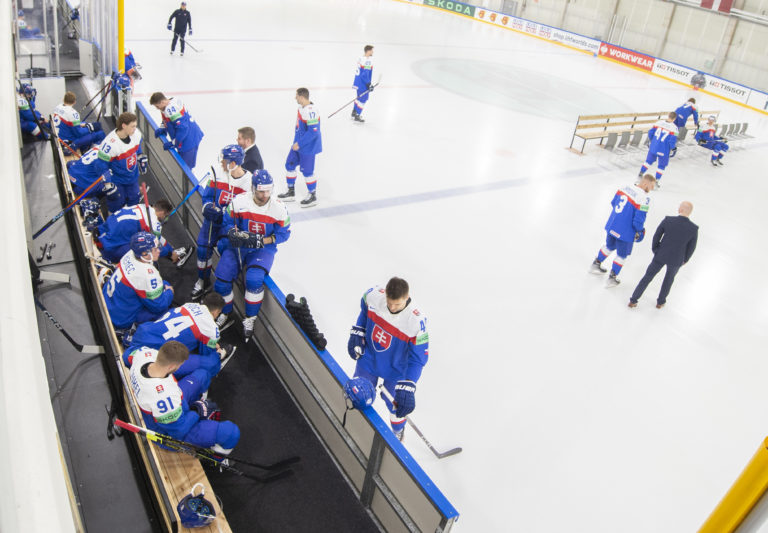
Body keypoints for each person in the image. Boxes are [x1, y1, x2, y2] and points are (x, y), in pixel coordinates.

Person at [346, 277, 429, 441]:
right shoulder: (374, 296)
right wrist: (358, 331)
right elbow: (364, 311)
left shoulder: (416, 322)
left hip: (396, 369)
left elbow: (418, 359)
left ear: (407, 297)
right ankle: (355, 431)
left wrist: (410, 383)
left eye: (397, 304)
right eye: (389, 302)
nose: (392, 307)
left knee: (396, 407)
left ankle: (398, 431)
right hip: (369, 359)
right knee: (359, 395)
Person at [213, 170, 291, 342]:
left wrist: (262, 241)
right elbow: (227, 223)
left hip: (263, 249)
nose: (265, 195)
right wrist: (233, 233)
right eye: (261, 191)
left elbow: (284, 234)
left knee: (254, 279)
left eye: (268, 191)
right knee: (221, 279)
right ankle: (226, 313)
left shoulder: (279, 208)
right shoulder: (239, 202)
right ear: (253, 187)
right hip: (240, 246)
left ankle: (250, 319)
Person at [129, 340, 240, 455]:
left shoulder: (145, 355)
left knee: (202, 375)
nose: (181, 366)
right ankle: (217, 457)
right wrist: (196, 412)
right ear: (171, 366)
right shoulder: (164, 400)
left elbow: (128, 355)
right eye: (180, 364)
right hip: (166, 433)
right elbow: (178, 431)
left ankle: (197, 403)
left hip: (173, 403)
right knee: (231, 433)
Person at [191, 145, 253, 300]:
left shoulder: (249, 183)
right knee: (203, 248)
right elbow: (208, 196)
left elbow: (246, 212)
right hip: (213, 221)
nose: (221, 163)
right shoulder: (217, 173)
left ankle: (225, 287)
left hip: (231, 226)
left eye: (224, 161)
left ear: (233, 163)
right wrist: (207, 208)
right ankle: (202, 279)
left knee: (227, 252)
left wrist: (226, 216)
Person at [124, 293, 235, 378]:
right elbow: (205, 352)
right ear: (217, 311)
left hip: (142, 334)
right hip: (155, 353)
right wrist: (214, 346)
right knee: (211, 361)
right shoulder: (212, 328)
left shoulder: (190, 305)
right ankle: (220, 356)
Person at [102, 232, 175, 336]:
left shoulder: (130, 254)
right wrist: (169, 292)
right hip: (119, 318)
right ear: (144, 254)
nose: (159, 251)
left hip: (109, 302)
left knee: (160, 285)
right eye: (155, 249)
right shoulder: (146, 273)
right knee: (164, 310)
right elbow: (158, 305)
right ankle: (130, 331)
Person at [629, 202, 698, 309]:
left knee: (647, 277)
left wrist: (656, 249)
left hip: (661, 254)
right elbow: (691, 247)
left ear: (680, 209)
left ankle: (634, 299)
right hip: (677, 259)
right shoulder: (693, 228)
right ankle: (660, 302)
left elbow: (657, 236)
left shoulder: (668, 220)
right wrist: (685, 259)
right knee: (669, 280)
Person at [589, 174, 655, 287]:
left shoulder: (625, 187)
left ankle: (596, 264)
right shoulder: (644, 198)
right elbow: (638, 220)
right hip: (626, 231)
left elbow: (613, 202)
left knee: (609, 246)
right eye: (651, 186)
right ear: (645, 183)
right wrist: (640, 231)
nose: (652, 189)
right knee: (622, 255)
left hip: (613, 224)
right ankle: (612, 278)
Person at [96, 198, 191, 265]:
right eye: (166, 216)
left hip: (105, 229)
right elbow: (154, 247)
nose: (165, 219)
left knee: (147, 238)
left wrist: (170, 249)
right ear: (162, 213)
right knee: (145, 253)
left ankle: (173, 252)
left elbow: (157, 238)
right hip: (110, 245)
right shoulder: (154, 223)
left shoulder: (142, 206)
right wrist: (170, 254)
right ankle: (174, 256)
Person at [278, 88, 322, 208]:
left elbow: (314, 132)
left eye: (296, 96)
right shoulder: (301, 108)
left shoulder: (311, 111)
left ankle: (313, 196)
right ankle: (291, 192)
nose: (295, 98)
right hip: (298, 145)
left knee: (307, 172)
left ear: (302, 97)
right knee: (289, 165)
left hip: (307, 147)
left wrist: (300, 143)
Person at [97, 112, 147, 208]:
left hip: (132, 178)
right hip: (117, 181)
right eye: (132, 126)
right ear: (124, 126)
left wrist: (140, 156)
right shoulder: (109, 144)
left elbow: (137, 147)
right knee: (116, 206)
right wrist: (108, 184)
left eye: (135, 126)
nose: (135, 129)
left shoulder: (135, 134)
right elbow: (101, 165)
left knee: (134, 204)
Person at [150, 92, 204, 169]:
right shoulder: (168, 103)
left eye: (157, 106)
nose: (157, 108)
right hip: (188, 136)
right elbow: (167, 119)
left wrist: (174, 143)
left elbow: (183, 129)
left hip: (189, 141)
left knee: (186, 168)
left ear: (162, 102)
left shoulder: (171, 110)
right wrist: (163, 127)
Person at [66, 147, 123, 212]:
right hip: (80, 189)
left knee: (72, 164)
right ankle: (95, 202)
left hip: (71, 173)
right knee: (113, 187)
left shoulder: (99, 146)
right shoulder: (109, 161)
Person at [638, 112, 678, 188]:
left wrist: (653, 140)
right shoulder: (674, 128)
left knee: (648, 161)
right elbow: (672, 141)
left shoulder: (659, 122)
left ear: (668, 116)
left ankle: (641, 172)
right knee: (661, 166)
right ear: (674, 119)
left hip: (654, 146)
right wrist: (673, 148)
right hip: (664, 149)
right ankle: (656, 181)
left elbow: (650, 132)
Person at [351, 45, 374, 123]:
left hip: (358, 82)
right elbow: (364, 74)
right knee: (364, 99)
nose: (372, 52)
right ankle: (357, 115)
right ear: (368, 51)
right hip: (363, 83)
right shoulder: (368, 61)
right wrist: (368, 84)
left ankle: (354, 112)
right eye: (371, 50)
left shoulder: (361, 58)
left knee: (359, 98)